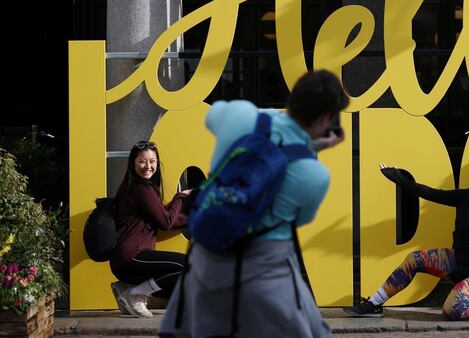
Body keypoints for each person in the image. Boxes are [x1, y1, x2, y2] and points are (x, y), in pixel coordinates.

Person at [159, 69, 348, 338]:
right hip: (267, 275)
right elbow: (300, 219)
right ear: (328, 118)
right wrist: (310, 149)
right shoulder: (313, 174)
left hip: (206, 265)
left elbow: (212, 117)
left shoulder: (241, 116)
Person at [345, 157, 469, 320]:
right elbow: (431, 193)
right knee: (413, 259)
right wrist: (399, 178)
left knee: (452, 311)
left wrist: (464, 272)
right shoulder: (466, 197)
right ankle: (374, 304)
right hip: (461, 259)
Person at [111, 140, 191, 318]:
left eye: (152, 161)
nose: (148, 166)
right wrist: (181, 196)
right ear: (133, 163)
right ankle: (136, 294)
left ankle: (128, 289)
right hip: (133, 257)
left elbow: (164, 217)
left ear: (157, 162)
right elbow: (166, 222)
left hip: (126, 259)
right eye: (142, 161)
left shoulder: (137, 188)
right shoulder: (141, 190)